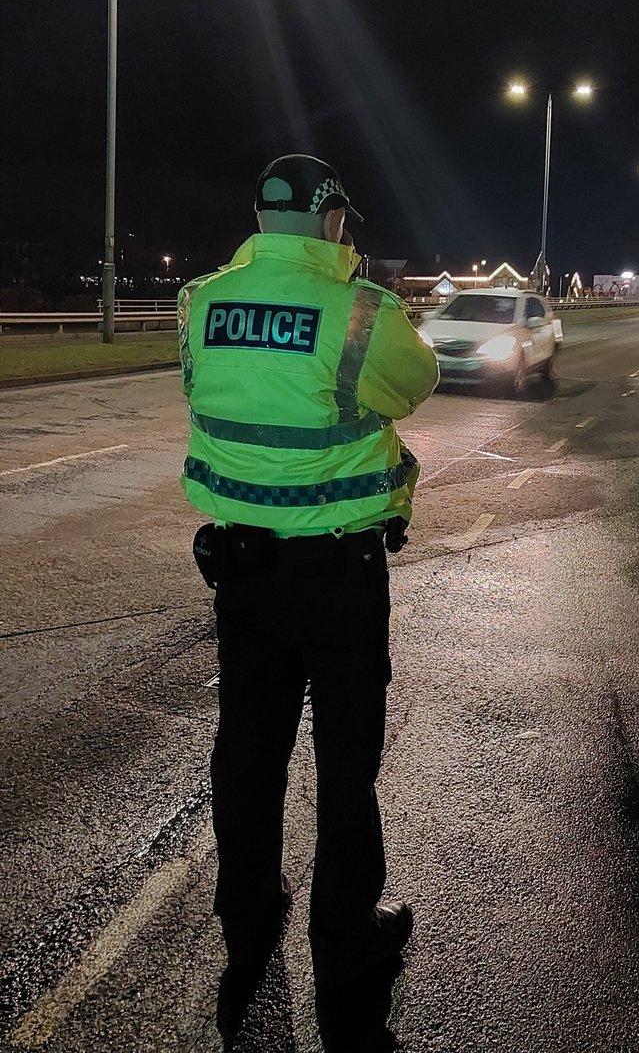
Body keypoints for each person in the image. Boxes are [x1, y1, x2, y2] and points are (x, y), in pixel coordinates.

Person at [177, 154, 439, 1048]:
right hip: (338, 576)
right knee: (345, 765)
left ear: (259, 219)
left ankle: (249, 919)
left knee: (248, 753)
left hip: (242, 572)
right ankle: (346, 937)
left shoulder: (201, 302)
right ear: (332, 221)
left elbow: (203, 394)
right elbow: (415, 385)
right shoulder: (362, 311)